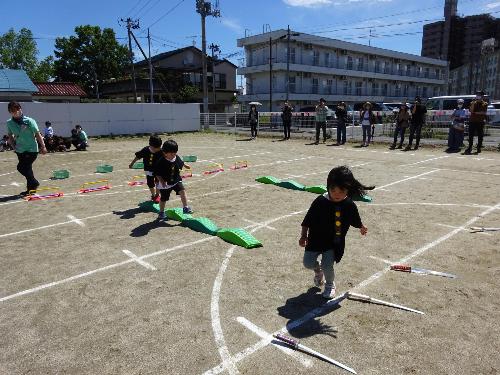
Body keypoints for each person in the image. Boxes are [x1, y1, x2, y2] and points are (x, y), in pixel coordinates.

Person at [299, 166, 372, 299]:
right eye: (333, 190)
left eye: (341, 190)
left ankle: (330, 284)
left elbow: (354, 218)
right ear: (328, 187)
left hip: (333, 242)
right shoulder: (320, 201)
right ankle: (317, 270)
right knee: (307, 263)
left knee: (328, 266)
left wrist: (361, 226)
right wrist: (304, 235)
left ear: (348, 189)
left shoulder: (349, 204)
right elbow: (307, 220)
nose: (337, 193)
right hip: (315, 239)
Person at [5, 101, 47, 195]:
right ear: (9, 111)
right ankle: (30, 189)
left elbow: (37, 134)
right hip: (20, 150)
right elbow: (10, 136)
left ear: (20, 109)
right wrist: (14, 146)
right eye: (12, 111)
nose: (15, 112)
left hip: (32, 149)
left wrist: (43, 146)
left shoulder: (29, 121)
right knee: (28, 169)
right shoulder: (9, 123)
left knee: (21, 167)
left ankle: (34, 182)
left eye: (17, 109)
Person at [153, 139, 193, 221]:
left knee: (182, 190)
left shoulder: (175, 157)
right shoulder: (161, 161)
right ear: (164, 153)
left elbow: (180, 162)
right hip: (165, 183)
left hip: (176, 180)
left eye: (175, 152)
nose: (173, 154)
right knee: (164, 198)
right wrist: (162, 181)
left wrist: (185, 165)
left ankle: (185, 207)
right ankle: (161, 212)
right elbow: (157, 173)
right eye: (171, 153)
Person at [129, 135, 163, 202]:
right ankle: (153, 195)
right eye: (156, 148)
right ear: (151, 146)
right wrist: (132, 163)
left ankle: (157, 195)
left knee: (158, 182)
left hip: (158, 170)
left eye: (159, 147)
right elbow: (138, 156)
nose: (158, 149)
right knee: (150, 183)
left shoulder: (161, 151)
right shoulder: (145, 150)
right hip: (148, 170)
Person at [465, 90, 488, 154]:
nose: (478, 96)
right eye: (477, 95)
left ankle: (479, 147)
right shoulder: (473, 102)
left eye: (479, 95)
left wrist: (475, 112)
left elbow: (483, 112)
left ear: (482, 96)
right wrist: (473, 103)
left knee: (480, 135)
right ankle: (470, 147)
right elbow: (471, 111)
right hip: (472, 121)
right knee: (470, 135)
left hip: (480, 122)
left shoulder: (485, 103)